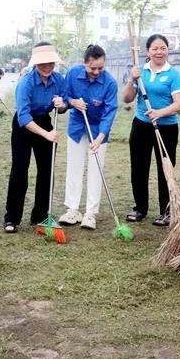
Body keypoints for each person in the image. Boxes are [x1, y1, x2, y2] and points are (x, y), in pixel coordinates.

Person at [122, 33, 180, 227]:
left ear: (167, 50)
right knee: (139, 168)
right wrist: (132, 79)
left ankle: (166, 211)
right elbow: (127, 99)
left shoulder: (173, 74)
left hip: (166, 128)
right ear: (148, 51)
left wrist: (160, 113)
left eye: (163, 48)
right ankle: (140, 207)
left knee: (165, 169)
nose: (159, 52)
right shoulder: (140, 71)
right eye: (155, 48)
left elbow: (179, 104)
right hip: (141, 125)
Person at [4, 43, 67, 233]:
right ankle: (12, 218)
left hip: (44, 120)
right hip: (25, 126)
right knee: (20, 171)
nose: (47, 66)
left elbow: (63, 107)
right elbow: (24, 117)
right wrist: (46, 134)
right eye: (42, 63)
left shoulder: (58, 80)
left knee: (47, 170)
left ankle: (40, 215)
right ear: (35, 64)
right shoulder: (26, 83)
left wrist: (61, 104)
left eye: (50, 62)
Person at [58, 45, 118, 230]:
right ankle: (72, 209)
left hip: (98, 129)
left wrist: (100, 138)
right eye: (92, 68)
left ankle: (90, 213)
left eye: (101, 68)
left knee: (95, 169)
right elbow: (65, 95)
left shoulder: (110, 83)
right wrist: (72, 102)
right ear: (84, 63)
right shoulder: (73, 73)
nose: (96, 72)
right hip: (77, 125)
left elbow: (110, 112)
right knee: (74, 166)